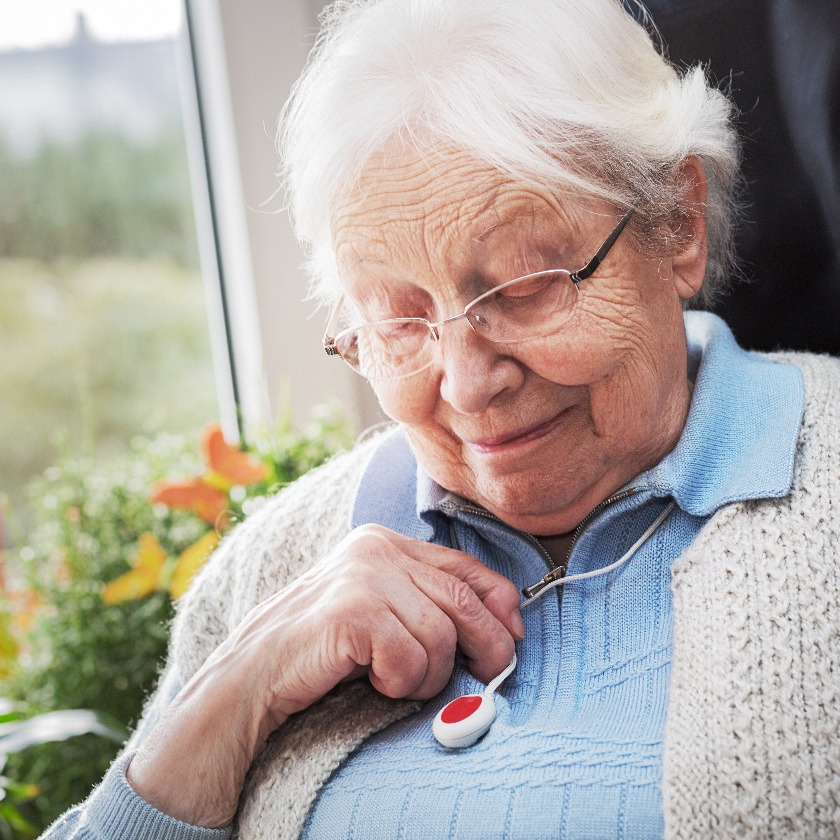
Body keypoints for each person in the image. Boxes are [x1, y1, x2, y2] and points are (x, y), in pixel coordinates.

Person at [41, 0, 839, 838]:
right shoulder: (277, 564)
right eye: (398, 317)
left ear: (677, 224)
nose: (464, 383)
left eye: (526, 287)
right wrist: (223, 709)